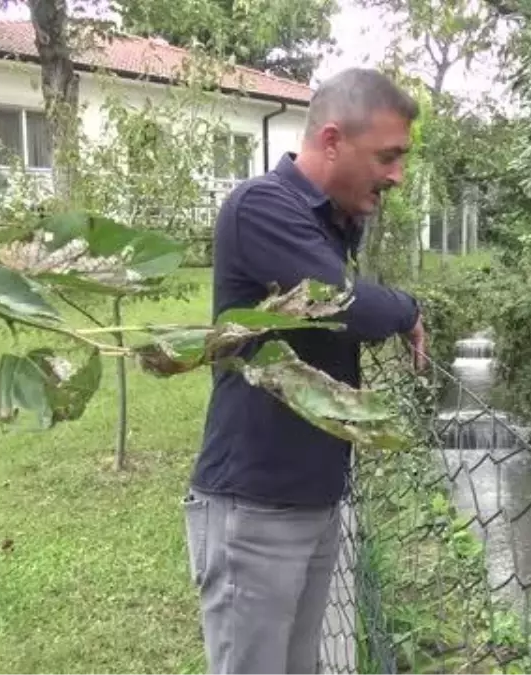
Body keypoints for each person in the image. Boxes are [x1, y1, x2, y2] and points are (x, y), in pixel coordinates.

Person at [181, 68, 428, 675]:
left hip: (314, 496)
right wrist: (410, 309)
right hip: (257, 506)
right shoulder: (264, 206)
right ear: (333, 140)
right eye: (388, 156)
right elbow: (350, 305)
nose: (397, 174)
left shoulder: (331, 220)